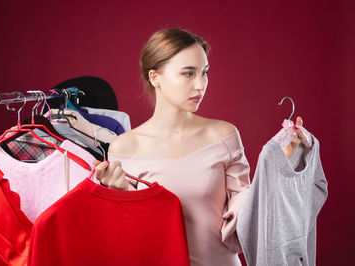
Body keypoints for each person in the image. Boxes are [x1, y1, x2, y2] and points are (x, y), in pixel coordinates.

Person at [93, 28, 306, 266]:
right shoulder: (124, 147)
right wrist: (122, 191)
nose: (200, 85)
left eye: (204, 73)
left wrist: (281, 161)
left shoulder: (223, 135)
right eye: (188, 74)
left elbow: (248, 213)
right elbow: (129, 234)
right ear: (155, 77)